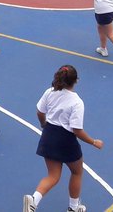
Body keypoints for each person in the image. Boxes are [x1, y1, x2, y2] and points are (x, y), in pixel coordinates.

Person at [23, 65, 104, 212]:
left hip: (48, 135)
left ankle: (33, 200)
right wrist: (93, 142)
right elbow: (77, 130)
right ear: (76, 81)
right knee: (77, 171)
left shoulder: (49, 92)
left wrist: (43, 124)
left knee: (53, 176)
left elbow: (40, 112)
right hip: (65, 140)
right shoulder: (77, 102)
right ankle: (73, 208)